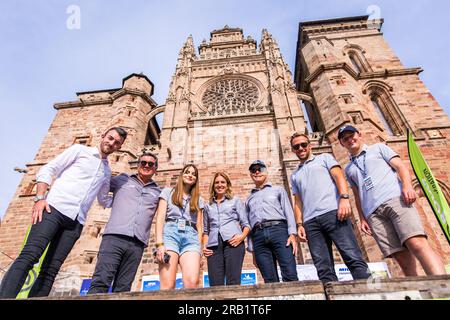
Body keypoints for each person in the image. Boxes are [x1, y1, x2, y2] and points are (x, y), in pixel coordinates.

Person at [0, 127, 127, 298]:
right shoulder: (79, 150)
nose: (111, 143)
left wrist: (128, 197)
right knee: (30, 255)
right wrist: (40, 198)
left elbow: (104, 200)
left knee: (51, 269)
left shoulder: (106, 172)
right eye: (110, 138)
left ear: (119, 147)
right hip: (53, 209)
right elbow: (48, 169)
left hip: (75, 222)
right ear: (103, 136)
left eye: (116, 142)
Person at [338, 125, 446, 276]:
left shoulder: (379, 148)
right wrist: (362, 218)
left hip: (395, 200)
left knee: (417, 243)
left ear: (359, 134)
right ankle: (424, 294)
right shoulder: (349, 168)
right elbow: (357, 194)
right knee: (400, 258)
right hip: (373, 214)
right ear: (341, 143)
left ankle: (444, 286)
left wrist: (407, 186)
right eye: (345, 138)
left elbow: (401, 167)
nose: (350, 140)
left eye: (352, 135)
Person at [290, 133, 371, 283]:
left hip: (334, 214)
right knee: (323, 267)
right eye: (296, 146)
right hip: (310, 222)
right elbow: (298, 201)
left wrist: (344, 199)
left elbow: (339, 176)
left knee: (352, 257)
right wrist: (299, 224)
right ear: (293, 150)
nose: (300, 148)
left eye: (303, 144)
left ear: (310, 145)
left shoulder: (324, 158)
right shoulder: (295, 175)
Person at [87, 152, 161, 294]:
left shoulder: (157, 191)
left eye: (150, 164)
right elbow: (100, 182)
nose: (146, 165)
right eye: (143, 162)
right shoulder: (123, 179)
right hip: (114, 237)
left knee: (123, 289)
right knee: (100, 282)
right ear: (138, 165)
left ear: (155, 168)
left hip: (137, 243)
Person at [245, 160, 298, 283]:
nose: (257, 172)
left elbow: (288, 211)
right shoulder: (249, 199)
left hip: (279, 231)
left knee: (289, 273)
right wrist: (252, 250)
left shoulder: (278, 190)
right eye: (254, 170)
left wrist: (292, 234)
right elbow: (249, 224)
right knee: (269, 279)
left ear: (266, 172)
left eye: (260, 169)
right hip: (258, 236)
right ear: (251, 174)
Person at [154, 164, 204, 289]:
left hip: (191, 238)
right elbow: (159, 219)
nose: (190, 175)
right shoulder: (167, 192)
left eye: (193, 174)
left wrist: (200, 250)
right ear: (182, 175)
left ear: (196, 179)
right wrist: (159, 244)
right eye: (187, 172)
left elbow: (199, 226)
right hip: (170, 235)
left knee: (192, 284)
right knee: (168, 285)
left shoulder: (198, 199)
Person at [202, 172, 250, 286]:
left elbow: (246, 224)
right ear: (213, 185)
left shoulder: (235, 200)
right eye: (217, 182)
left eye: (223, 182)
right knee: (215, 284)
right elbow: (205, 230)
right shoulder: (208, 206)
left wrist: (241, 237)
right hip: (213, 246)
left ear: (227, 185)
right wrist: (204, 246)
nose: (220, 185)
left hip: (233, 243)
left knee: (233, 282)